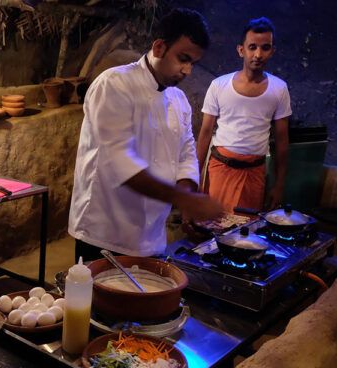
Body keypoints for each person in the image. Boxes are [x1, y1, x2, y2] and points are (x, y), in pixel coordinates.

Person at [68, 8, 223, 262]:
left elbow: (186, 153)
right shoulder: (114, 85)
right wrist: (185, 199)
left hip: (151, 236)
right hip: (104, 232)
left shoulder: (178, 99)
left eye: (192, 63)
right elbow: (119, 161)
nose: (187, 71)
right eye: (183, 59)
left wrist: (188, 196)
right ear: (160, 47)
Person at [197, 17, 292, 212]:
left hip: (254, 174)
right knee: (210, 228)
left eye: (265, 48)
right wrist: (194, 177)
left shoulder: (279, 89)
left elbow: (282, 140)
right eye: (252, 47)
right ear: (241, 50)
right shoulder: (219, 85)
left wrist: (280, 184)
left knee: (245, 235)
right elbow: (205, 133)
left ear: (272, 51)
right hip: (219, 171)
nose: (258, 54)